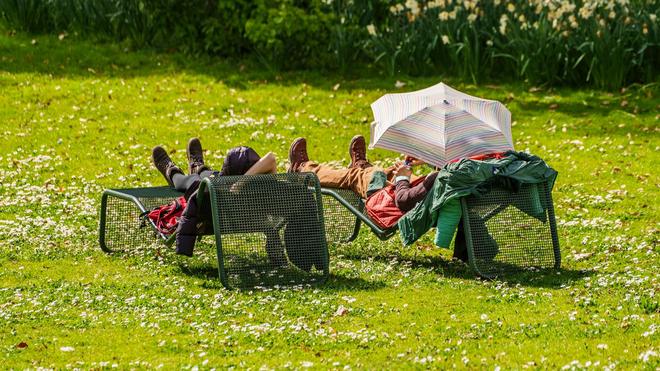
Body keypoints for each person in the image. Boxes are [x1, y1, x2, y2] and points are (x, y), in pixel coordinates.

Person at [151, 138, 278, 256]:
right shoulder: (266, 188)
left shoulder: (211, 192)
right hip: (242, 210)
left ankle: (172, 172)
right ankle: (198, 167)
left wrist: (238, 183)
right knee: (211, 177)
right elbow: (271, 158)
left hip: (212, 206)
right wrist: (243, 181)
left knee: (189, 181)